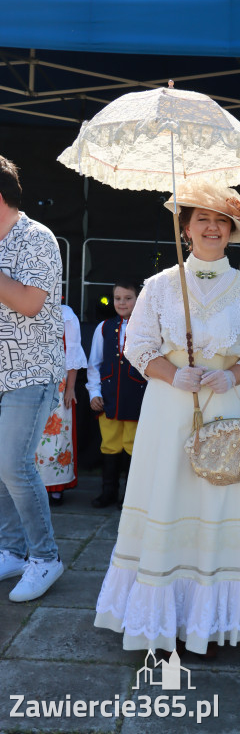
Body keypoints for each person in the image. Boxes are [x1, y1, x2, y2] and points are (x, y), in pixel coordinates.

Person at [94, 182, 240, 657]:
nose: (212, 227)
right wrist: (173, 374)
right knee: (168, 500)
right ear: (186, 227)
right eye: (202, 218)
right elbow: (137, 349)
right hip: (168, 412)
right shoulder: (157, 287)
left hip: (228, 408)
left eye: (221, 220)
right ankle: (163, 617)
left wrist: (232, 376)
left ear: (234, 229)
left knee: (219, 505)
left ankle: (211, 620)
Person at [0, 154, 65, 602]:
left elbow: (28, 302)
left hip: (30, 371)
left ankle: (46, 557)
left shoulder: (36, 237)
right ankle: (12, 550)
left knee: (13, 465)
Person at [86, 280, 147, 508]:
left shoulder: (148, 328)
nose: (122, 303)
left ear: (138, 299)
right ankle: (108, 492)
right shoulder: (103, 328)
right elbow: (95, 364)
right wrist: (94, 393)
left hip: (136, 399)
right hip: (109, 399)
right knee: (110, 445)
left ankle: (130, 498)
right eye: (118, 298)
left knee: (134, 446)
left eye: (128, 298)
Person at [36, 304, 87, 505]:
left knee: (58, 435)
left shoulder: (66, 314)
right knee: (32, 435)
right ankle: (32, 487)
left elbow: (72, 351)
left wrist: (71, 387)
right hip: (31, 380)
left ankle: (56, 487)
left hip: (59, 382)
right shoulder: (24, 307)